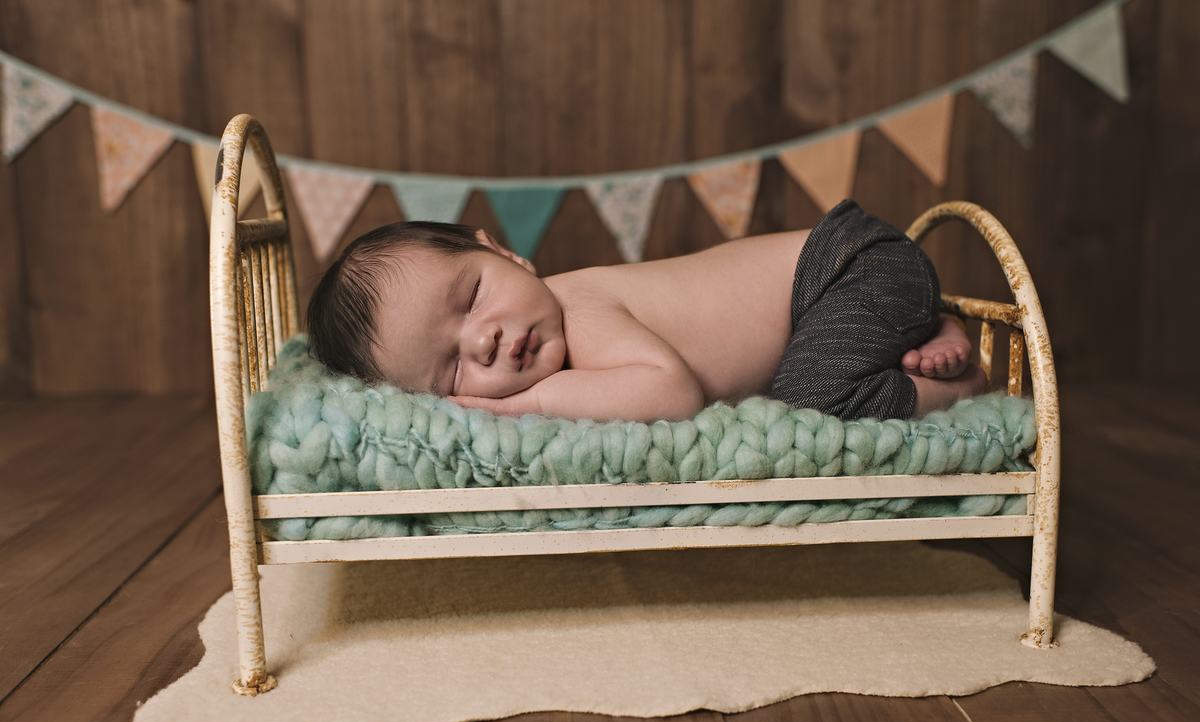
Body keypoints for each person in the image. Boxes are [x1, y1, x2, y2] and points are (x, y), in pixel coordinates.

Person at [306, 200, 987, 424]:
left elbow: (673, 392)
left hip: (848, 267)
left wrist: (516, 406)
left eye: (472, 296)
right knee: (818, 370)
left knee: (809, 399)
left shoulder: (581, 306)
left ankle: (952, 385)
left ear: (507, 256)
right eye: (452, 372)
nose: (483, 342)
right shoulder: (559, 347)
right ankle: (915, 327)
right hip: (844, 292)